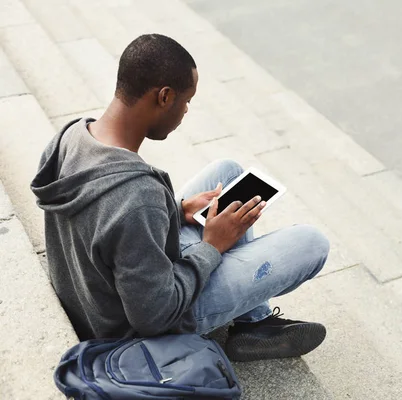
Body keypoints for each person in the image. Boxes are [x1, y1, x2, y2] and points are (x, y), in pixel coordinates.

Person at [31, 34, 329, 362]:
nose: (186, 111)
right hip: (135, 329)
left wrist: (178, 209)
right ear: (164, 96)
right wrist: (212, 247)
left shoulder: (72, 135)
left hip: (95, 287)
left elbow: (108, 220)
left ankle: (252, 323)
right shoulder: (137, 197)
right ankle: (252, 323)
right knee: (312, 243)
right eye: (186, 101)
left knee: (226, 171)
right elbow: (154, 316)